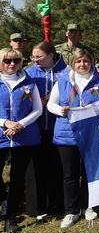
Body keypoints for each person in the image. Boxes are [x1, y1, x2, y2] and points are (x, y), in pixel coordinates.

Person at [47, 48, 99, 228]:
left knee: (89, 172)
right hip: (67, 134)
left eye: (86, 61)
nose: (82, 64)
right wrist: (60, 110)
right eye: (79, 61)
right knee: (70, 174)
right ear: (73, 63)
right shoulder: (63, 81)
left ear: (91, 62)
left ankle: (88, 206)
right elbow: (50, 104)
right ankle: (71, 211)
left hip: (91, 133)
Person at [0, 47, 43, 233]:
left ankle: (10, 219)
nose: (12, 64)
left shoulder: (29, 82)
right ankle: (3, 202)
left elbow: (38, 109)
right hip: (1, 136)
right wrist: (5, 122)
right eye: (7, 61)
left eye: (16, 61)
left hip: (24, 137)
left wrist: (20, 124)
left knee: (17, 178)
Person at [25, 41, 66, 219]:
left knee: (56, 167)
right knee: (36, 168)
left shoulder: (66, 72)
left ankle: (57, 205)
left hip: (58, 127)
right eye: (33, 56)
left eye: (39, 56)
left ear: (51, 55)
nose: (35, 60)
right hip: (35, 127)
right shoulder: (29, 72)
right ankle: (37, 207)